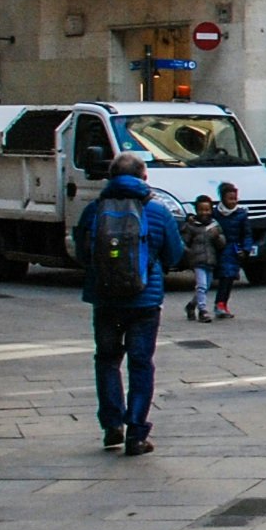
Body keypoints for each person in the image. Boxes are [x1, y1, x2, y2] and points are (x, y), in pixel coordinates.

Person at [73, 153, 185, 457]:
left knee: (107, 360)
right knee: (140, 363)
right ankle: (136, 433)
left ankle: (112, 426)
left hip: (105, 299)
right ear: (143, 177)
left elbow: (82, 253)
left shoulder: (94, 210)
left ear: (110, 178)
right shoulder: (158, 211)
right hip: (145, 300)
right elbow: (175, 255)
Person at [181, 194, 228, 323]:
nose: (204, 213)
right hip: (197, 261)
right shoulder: (191, 226)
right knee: (201, 286)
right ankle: (203, 311)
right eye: (201, 210)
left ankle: (191, 305)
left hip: (210, 261)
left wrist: (217, 237)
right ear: (196, 210)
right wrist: (188, 254)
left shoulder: (214, 226)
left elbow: (222, 244)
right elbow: (184, 242)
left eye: (207, 210)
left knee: (205, 287)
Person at [213, 182, 254, 320]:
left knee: (228, 277)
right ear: (223, 199)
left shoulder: (241, 215)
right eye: (230, 199)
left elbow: (247, 234)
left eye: (235, 199)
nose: (233, 202)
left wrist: (246, 249)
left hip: (233, 250)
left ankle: (221, 304)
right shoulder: (215, 213)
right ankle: (219, 304)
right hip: (219, 249)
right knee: (224, 277)